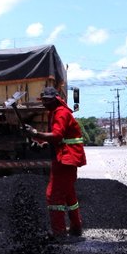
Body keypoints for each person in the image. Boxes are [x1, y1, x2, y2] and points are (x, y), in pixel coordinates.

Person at [23, 87, 87, 239]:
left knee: (53, 195)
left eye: (48, 100)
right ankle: (76, 228)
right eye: (43, 99)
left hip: (66, 158)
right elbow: (59, 138)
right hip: (63, 157)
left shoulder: (61, 113)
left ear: (56, 99)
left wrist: (36, 133)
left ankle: (58, 232)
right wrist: (42, 143)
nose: (45, 102)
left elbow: (57, 136)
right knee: (69, 195)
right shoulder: (55, 112)